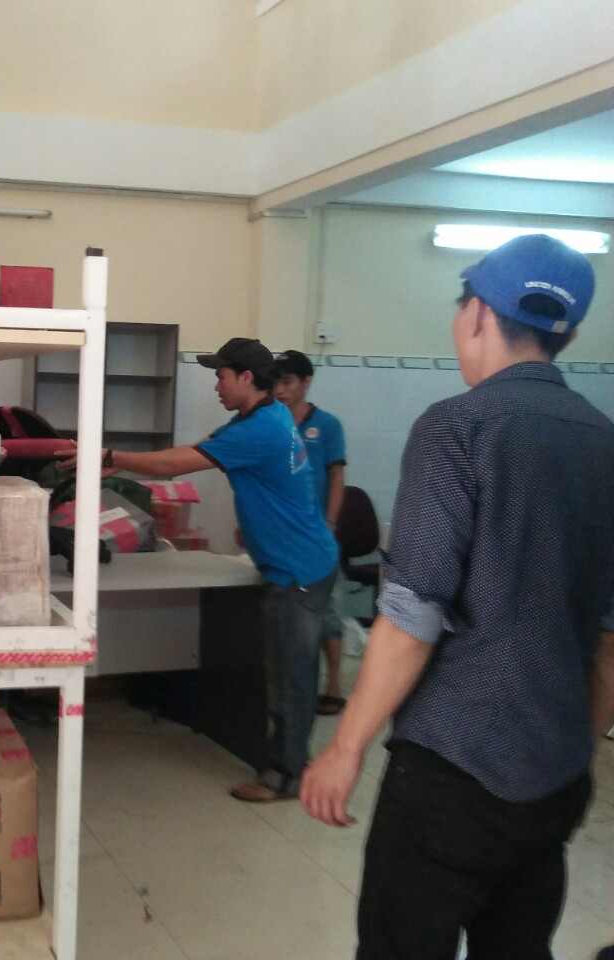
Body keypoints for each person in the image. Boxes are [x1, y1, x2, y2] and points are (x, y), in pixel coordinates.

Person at [300, 234, 614, 959]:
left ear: (476, 313)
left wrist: (345, 748)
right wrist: (580, 755)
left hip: (453, 769)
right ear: (567, 334)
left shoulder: (455, 428)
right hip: (555, 775)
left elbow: (412, 615)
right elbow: (607, 637)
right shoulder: (604, 441)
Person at [65, 337, 339, 802]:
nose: (216, 385)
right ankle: (288, 765)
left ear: (246, 378)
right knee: (284, 675)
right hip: (299, 561)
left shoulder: (260, 428)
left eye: (221, 375)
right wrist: (117, 463)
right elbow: (196, 450)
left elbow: (178, 463)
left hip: (299, 571)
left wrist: (111, 458)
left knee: (290, 679)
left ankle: (287, 776)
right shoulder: (262, 417)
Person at [273, 349, 349, 715]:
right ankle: (291, 686)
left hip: (318, 535)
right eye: (276, 382)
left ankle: (333, 683)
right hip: (279, 534)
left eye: (287, 381)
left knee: (326, 611)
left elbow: (336, 477)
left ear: (306, 382)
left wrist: (331, 524)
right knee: (287, 611)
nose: (280, 389)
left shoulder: (327, 425)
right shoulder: (271, 422)